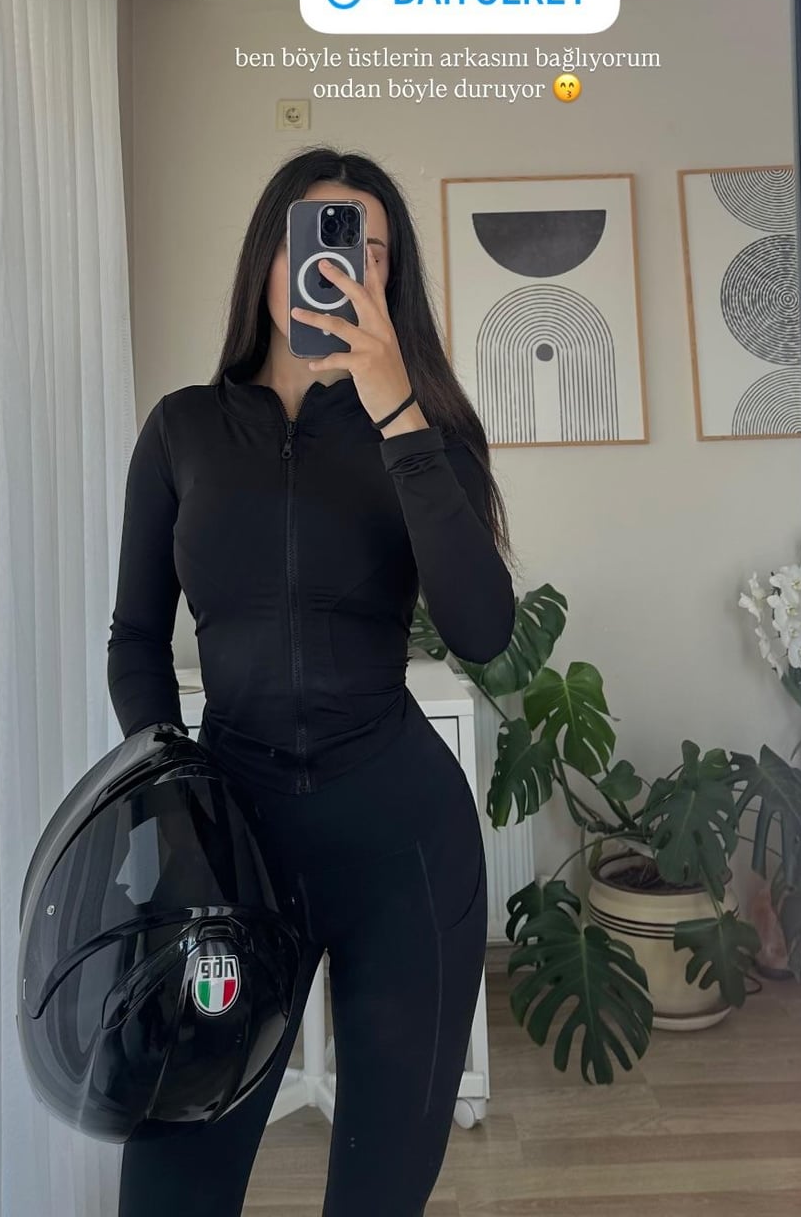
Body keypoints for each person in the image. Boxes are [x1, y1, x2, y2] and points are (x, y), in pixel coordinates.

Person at [109, 147, 516, 1216]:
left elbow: (482, 630)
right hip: (233, 855)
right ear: (268, 259)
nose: (339, 269)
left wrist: (397, 412)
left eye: (367, 253)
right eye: (318, 242)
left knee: (380, 1193)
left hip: (402, 846)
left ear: (391, 281)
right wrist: (173, 795)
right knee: (170, 1186)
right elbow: (136, 638)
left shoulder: (427, 430)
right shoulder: (183, 429)